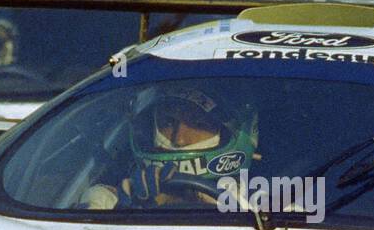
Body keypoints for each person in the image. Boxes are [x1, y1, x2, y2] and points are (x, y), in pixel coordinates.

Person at [81, 86, 258, 210]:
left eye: (198, 124)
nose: (179, 139)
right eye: (167, 122)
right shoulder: (107, 201)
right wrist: (129, 216)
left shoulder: (265, 202)